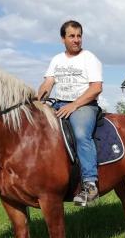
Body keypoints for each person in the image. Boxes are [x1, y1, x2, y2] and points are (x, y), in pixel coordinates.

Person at [37, 20, 103, 206]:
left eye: (79, 36)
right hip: (58, 103)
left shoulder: (89, 58)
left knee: (81, 135)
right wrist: (38, 98)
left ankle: (90, 184)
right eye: (72, 36)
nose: (76, 40)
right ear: (63, 39)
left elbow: (96, 88)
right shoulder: (57, 60)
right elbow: (48, 83)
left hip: (84, 105)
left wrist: (73, 105)